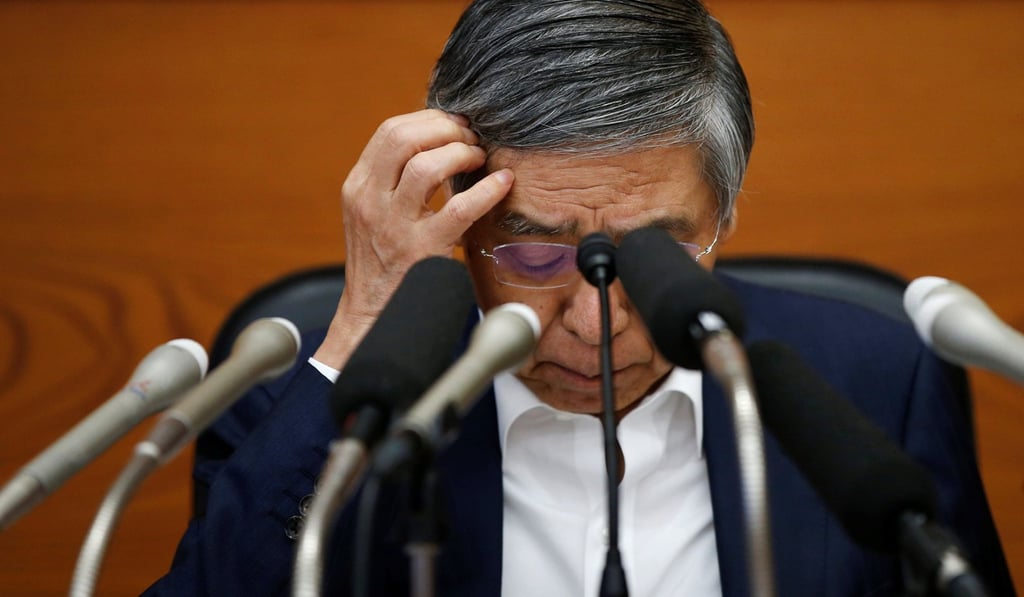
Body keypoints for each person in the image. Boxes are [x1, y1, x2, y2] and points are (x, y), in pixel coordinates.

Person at [145, 1, 1014, 595]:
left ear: (725, 214)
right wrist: (365, 330)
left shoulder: (872, 380)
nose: (596, 321)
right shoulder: (308, 402)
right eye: (530, 250)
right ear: (461, 220)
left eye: (656, 250)